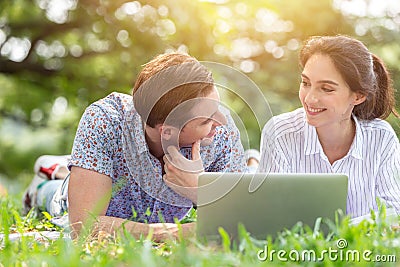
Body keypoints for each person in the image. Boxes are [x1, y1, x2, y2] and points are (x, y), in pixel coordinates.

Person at [23, 52, 248, 241]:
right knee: (54, 195)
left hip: (107, 187)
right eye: (206, 120)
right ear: (167, 131)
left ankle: (63, 166)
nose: (223, 121)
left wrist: (201, 189)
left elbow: (246, 219)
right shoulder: (104, 120)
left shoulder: (220, 134)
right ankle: (45, 180)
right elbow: (83, 226)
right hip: (64, 200)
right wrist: (166, 233)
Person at [258, 35, 400, 219]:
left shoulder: (381, 137)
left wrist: (344, 231)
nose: (309, 99)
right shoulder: (280, 132)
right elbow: (269, 212)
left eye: (326, 88)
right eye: (306, 83)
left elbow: (393, 211)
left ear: (358, 96)